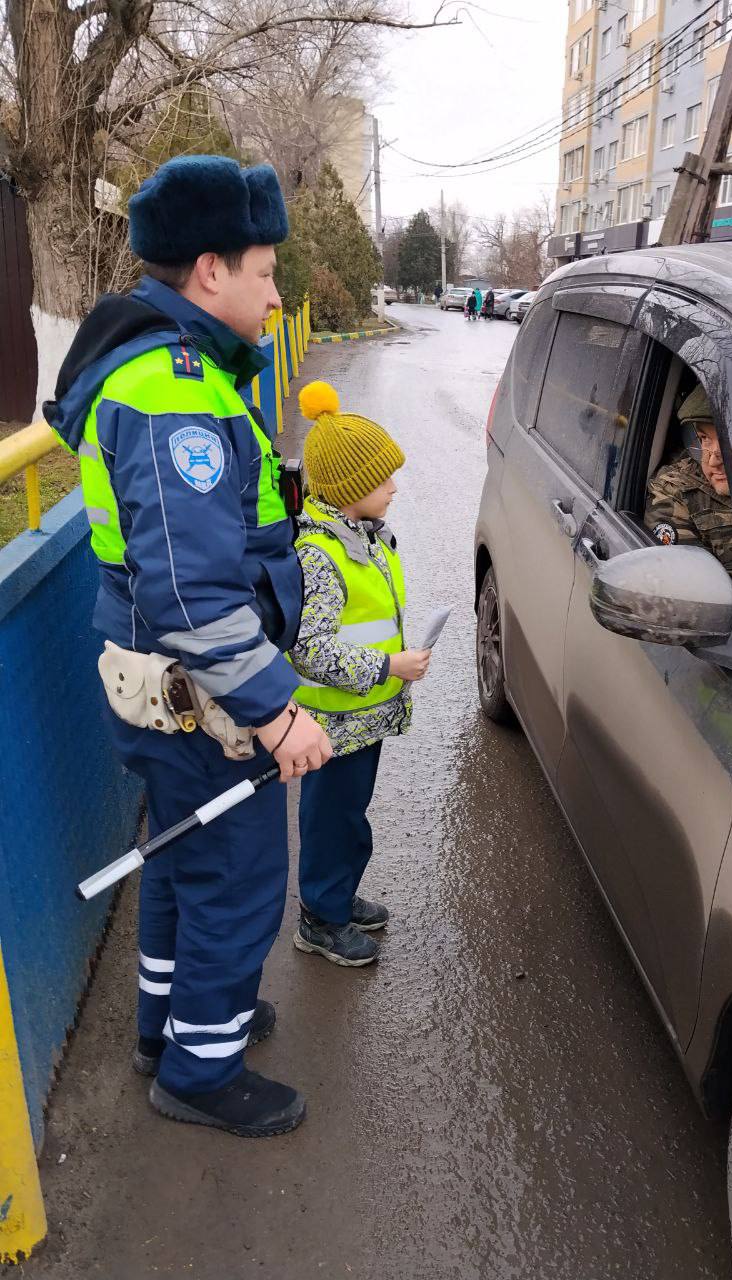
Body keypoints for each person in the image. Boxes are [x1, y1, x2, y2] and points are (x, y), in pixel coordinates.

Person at [44, 155, 332, 1138]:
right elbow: (193, 593)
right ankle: (201, 1071)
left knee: (180, 856)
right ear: (211, 270)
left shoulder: (173, 366)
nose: (277, 294)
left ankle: (168, 1024)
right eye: (265, 271)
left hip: (165, 686)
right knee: (237, 878)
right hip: (199, 694)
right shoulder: (173, 393)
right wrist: (278, 715)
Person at [289, 382, 431, 966]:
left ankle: (338, 898)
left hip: (360, 718)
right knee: (331, 821)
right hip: (331, 726)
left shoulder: (363, 537)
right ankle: (320, 918)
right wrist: (389, 665)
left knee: (350, 818)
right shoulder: (321, 556)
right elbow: (310, 649)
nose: (393, 487)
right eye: (382, 480)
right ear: (349, 491)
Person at [643, 385, 732, 577]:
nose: (712, 461)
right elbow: (694, 586)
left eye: (728, 440)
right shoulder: (675, 490)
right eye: (704, 438)